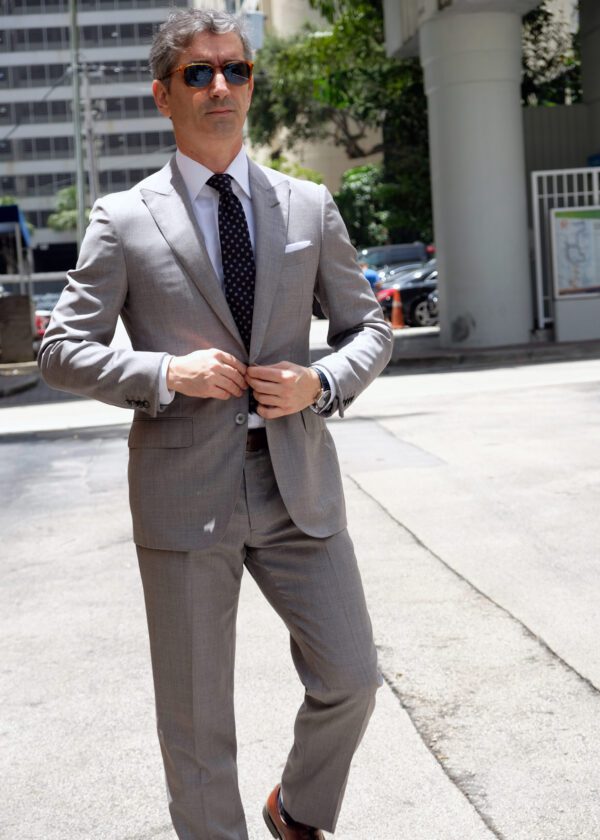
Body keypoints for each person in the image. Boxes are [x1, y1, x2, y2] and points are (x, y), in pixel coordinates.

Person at [39, 9, 392, 839]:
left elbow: (368, 327)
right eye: (198, 73)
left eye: (234, 69)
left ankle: (297, 809)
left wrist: (321, 383)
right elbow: (61, 350)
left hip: (296, 484)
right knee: (197, 727)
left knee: (353, 675)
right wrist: (163, 372)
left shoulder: (306, 205)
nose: (221, 85)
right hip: (183, 494)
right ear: (165, 94)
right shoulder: (122, 218)